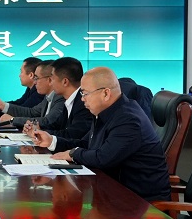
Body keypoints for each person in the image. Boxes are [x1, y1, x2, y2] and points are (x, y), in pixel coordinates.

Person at [33, 67, 170, 202]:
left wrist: (73, 154)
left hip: (138, 202)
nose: (82, 99)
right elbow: (86, 144)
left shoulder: (129, 119)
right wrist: (52, 141)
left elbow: (103, 158)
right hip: (113, 193)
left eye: (85, 94)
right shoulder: (106, 112)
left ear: (105, 93)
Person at [22, 57, 92, 141]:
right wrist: (35, 128)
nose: (50, 83)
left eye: (52, 79)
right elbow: (56, 125)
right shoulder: (69, 100)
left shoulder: (83, 103)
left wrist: (39, 132)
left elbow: (72, 135)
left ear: (65, 82)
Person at [0, 60, 63, 129]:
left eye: (36, 78)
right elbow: (31, 112)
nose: (35, 82)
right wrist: (2, 105)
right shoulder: (48, 97)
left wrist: (12, 120)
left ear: (49, 80)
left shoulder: (60, 98)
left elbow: (47, 121)